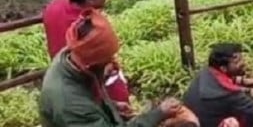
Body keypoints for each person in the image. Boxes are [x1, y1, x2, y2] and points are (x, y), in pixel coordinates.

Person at [38, 9, 184, 127]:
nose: (114, 64)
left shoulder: (72, 54)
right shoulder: (71, 105)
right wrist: (158, 113)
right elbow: (83, 108)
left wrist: (110, 107)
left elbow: (89, 96)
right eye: (108, 60)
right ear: (91, 65)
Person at [42, 0, 132, 111]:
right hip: (89, 88)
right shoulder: (87, 27)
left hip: (62, 79)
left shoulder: (54, 6)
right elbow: (99, 68)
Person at [182, 43, 253, 127]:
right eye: (237, 62)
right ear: (223, 68)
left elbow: (224, 79)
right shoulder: (228, 94)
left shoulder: (206, 72)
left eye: (242, 59)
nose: (243, 63)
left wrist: (246, 82)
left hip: (200, 120)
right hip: (212, 122)